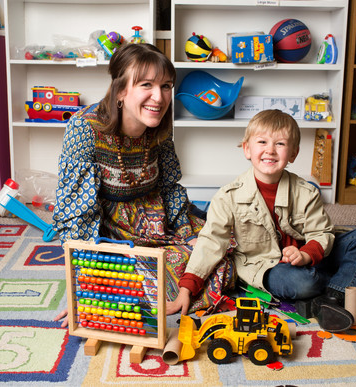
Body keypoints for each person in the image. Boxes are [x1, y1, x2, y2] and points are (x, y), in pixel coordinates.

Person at [52, 43, 234, 327]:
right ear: (121, 90)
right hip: (112, 232)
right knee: (135, 286)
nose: (159, 97)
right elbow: (76, 210)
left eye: (165, 86)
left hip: (159, 219)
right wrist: (83, 282)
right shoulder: (84, 128)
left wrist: (187, 234)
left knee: (223, 245)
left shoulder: (159, 128)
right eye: (146, 84)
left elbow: (171, 187)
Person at [166, 109, 356, 332]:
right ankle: (352, 276)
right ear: (247, 149)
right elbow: (210, 243)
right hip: (268, 266)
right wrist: (186, 289)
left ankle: (334, 299)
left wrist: (305, 254)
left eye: (280, 144)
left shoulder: (306, 192)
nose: (270, 150)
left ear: (293, 154)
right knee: (302, 283)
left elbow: (321, 233)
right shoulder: (228, 196)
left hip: (311, 255)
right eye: (262, 142)